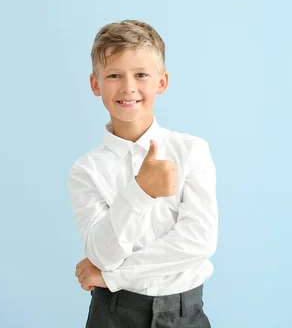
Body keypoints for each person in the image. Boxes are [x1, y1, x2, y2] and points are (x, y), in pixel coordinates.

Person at [68, 20, 217, 327]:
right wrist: (141, 191)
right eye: (113, 75)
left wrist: (113, 276)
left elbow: (199, 241)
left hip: (183, 314)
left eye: (141, 75)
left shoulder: (192, 151)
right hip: (113, 313)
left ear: (161, 82)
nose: (128, 87)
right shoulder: (87, 171)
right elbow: (102, 252)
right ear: (96, 85)